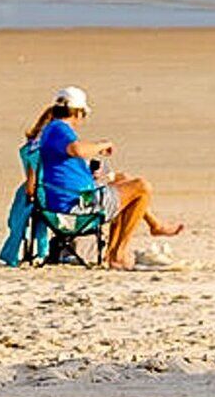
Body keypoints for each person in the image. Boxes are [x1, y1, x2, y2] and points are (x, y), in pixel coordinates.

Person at [22, 84, 182, 270]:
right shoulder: (60, 129)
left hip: (65, 198)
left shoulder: (50, 130)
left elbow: (64, 165)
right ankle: (117, 254)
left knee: (124, 178)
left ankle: (149, 228)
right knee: (142, 186)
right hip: (77, 204)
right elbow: (77, 150)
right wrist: (101, 145)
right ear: (79, 113)